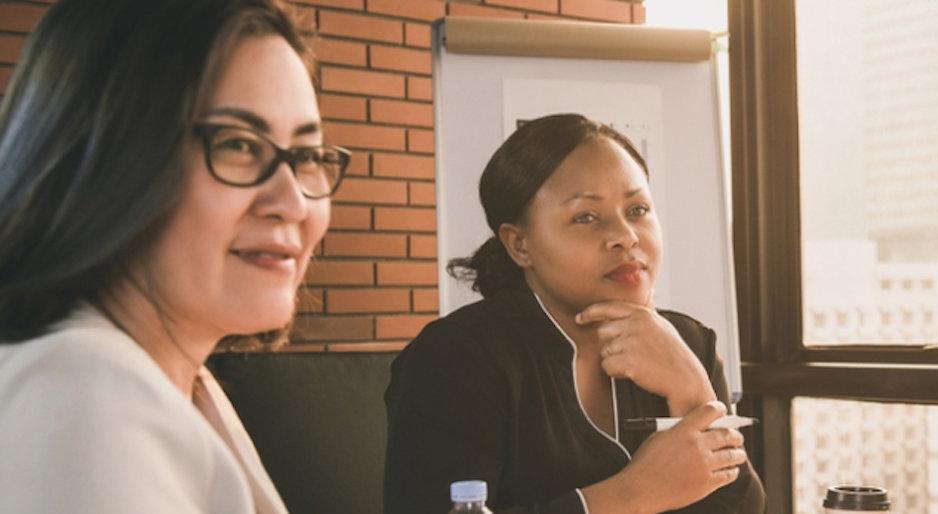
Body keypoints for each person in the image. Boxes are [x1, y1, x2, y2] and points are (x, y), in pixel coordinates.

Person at [0, 0, 348, 512]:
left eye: (307, 155)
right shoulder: (84, 391)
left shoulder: (176, 379)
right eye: (238, 144)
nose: (293, 203)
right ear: (105, 161)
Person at [383, 113, 764, 514]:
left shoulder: (688, 342)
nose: (626, 236)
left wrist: (692, 389)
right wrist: (633, 494)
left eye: (637, 210)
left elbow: (741, 507)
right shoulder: (456, 358)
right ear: (520, 245)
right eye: (586, 217)